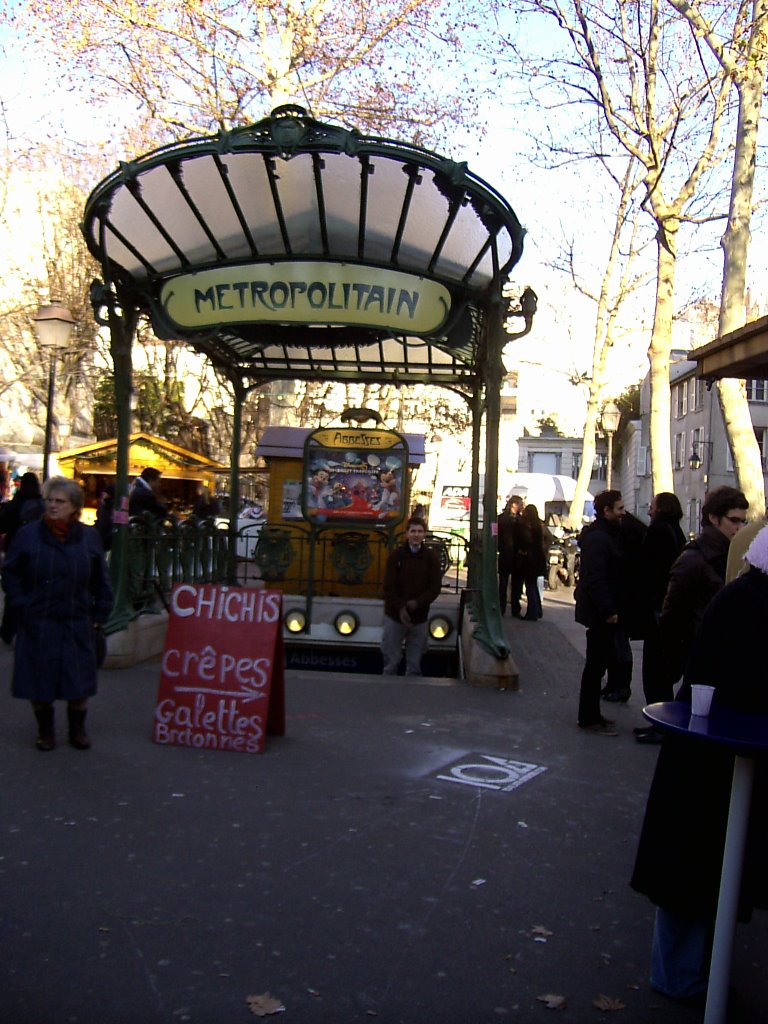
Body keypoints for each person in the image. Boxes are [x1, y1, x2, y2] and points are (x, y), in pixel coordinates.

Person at [630, 525, 768, 1004]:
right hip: (715, 761)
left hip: (702, 757)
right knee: (699, 869)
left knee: (694, 870)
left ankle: (690, 973)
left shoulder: (738, 595)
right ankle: (687, 977)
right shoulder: (746, 602)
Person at [1, 476, 113, 751]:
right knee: (39, 682)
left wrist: (100, 613)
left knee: (79, 682)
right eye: (49, 500)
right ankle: (45, 732)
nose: (52, 505)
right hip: (38, 619)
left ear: (74, 506)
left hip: (77, 619)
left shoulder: (88, 537)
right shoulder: (29, 535)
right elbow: (11, 572)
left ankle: (78, 730)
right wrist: (21, 603)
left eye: (59, 501)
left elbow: (100, 578)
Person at [658, 485, 747, 692]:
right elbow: (671, 615)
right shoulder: (693, 559)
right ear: (714, 519)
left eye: (743, 521)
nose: (739, 527)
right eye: (734, 520)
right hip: (699, 655)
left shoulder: (735, 555)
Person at [573, 489, 629, 735]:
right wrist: (609, 610)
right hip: (600, 613)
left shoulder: (603, 535)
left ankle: (592, 714)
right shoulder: (599, 538)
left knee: (598, 664)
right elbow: (596, 579)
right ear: (606, 511)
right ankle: (589, 717)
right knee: (596, 665)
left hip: (601, 610)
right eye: (619, 508)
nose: (623, 513)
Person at [633, 492, 687, 744]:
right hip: (667, 609)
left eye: (653, 506)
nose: (650, 511)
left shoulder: (658, 533)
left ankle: (659, 724)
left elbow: (647, 569)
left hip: (657, 608)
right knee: (660, 671)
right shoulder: (677, 532)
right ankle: (659, 722)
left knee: (654, 672)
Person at [382, 516, 442, 676]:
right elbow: (389, 586)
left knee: (414, 663)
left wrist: (418, 603)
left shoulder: (431, 558)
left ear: (424, 534)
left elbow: (435, 587)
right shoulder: (396, 556)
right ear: (407, 534)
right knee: (391, 660)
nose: (416, 535)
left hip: (419, 616)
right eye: (413, 531)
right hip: (395, 615)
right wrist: (401, 606)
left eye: (420, 531)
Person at [0, 472, 45, 644]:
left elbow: (2, 524)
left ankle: (8, 630)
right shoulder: (42, 505)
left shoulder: (15, 504)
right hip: (38, 552)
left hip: (15, 552)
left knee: (14, 591)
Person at [513, 503, 550, 621]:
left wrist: (522, 550)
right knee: (533, 586)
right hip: (538, 559)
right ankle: (537, 610)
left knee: (530, 587)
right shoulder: (539, 525)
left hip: (529, 561)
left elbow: (524, 541)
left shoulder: (526, 526)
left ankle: (532, 612)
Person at [497, 495, 523, 616]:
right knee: (514, 584)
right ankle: (514, 609)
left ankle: (502, 608)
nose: (522, 506)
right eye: (520, 504)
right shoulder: (519, 520)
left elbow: (494, 534)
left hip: (506, 554)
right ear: (514, 505)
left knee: (505, 582)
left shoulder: (501, 518)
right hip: (513, 555)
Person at [95, 484, 115, 552]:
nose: (102, 495)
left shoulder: (105, 506)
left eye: (104, 493)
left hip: (105, 539)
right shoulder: (105, 506)